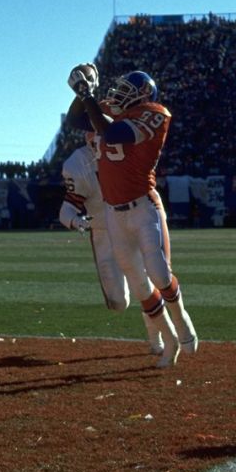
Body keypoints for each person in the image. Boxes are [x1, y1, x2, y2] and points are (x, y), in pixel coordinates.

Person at [67, 63, 197, 368]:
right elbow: (76, 118)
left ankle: (183, 322)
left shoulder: (154, 113)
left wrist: (87, 94)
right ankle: (169, 342)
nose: (116, 96)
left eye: (126, 92)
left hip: (143, 206)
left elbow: (111, 134)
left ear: (143, 96)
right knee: (140, 285)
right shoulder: (112, 109)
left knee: (159, 273)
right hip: (114, 212)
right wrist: (83, 91)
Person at [60, 127, 165, 356]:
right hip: (103, 232)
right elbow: (66, 210)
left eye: (97, 129)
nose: (93, 135)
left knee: (145, 284)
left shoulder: (124, 149)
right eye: (88, 131)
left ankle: (157, 338)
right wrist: (80, 223)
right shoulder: (77, 163)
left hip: (130, 222)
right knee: (118, 302)